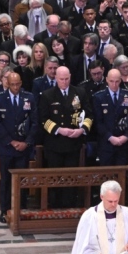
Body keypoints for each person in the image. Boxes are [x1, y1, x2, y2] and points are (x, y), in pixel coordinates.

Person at [38, 66, 90, 206]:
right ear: (56, 78)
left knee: (71, 176)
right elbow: (43, 119)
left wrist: (82, 130)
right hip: (55, 143)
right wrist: (59, 130)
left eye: (67, 79)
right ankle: (54, 206)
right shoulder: (47, 95)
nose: (64, 82)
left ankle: (70, 205)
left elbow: (89, 115)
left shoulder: (79, 92)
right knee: (56, 176)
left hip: (74, 143)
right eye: (61, 79)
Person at [0, 72, 36, 223]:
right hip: (6, 147)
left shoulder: (29, 97)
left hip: (24, 148)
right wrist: (11, 142)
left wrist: (26, 142)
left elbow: (35, 122)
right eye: (13, 84)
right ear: (8, 84)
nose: (16, 87)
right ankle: (5, 210)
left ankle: (20, 209)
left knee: (21, 180)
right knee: (6, 180)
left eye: (18, 84)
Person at [70, 180, 128, 254]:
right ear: (101, 197)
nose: (113, 204)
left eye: (116, 201)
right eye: (110, 201)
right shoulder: (89, 217)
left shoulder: (127, 214)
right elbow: (81, 248)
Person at [93, 69, 128, 165]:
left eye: (117, 81)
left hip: (123, 142)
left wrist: (127, 135)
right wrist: (110, 137)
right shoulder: (99, 97)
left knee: (122, 174)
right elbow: (98, 122)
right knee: (106, 175)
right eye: (112, 81)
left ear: (120, 80)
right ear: (107, 80)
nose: (114, 84)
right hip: (106, 143)